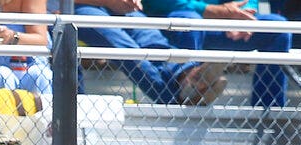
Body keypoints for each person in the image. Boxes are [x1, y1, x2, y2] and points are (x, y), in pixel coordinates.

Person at [70, 0, 227, 105]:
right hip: (70, 8)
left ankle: (186, 75)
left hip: (109, 5)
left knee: (152, 38)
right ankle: (178, 100)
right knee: (127, 50)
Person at [142, 0, 292, 108]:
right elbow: (155, 3)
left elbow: (248, 2)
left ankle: (269, 116)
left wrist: (242, 15)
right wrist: (214, 11)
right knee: (189, 19)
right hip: (170, 26)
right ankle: (188, 90)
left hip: (220, 23)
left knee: (278, 29)